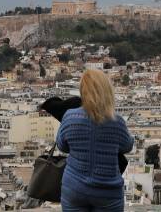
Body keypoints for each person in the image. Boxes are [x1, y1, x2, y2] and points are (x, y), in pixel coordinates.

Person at [56, 70, 134, 211]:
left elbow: (62, 145)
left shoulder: (69, 117)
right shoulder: (116, 121)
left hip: (74, 186)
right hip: (107, 190)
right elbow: (127, 146)